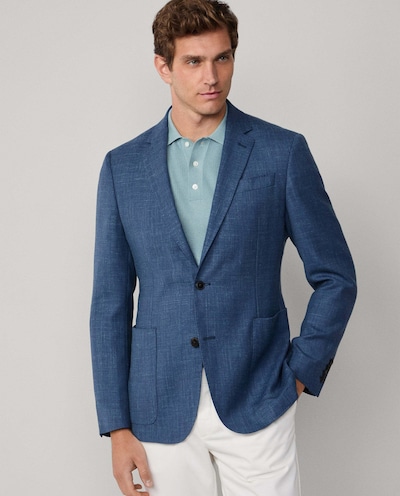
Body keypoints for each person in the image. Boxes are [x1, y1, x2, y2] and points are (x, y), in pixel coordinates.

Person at [90, 1, 357, 495]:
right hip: (158, 403)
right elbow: (109, 303)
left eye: (223, 58)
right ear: (164, 67)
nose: (211, 77)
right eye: (193, 61)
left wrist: (299, 372)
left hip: (258, 395)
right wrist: (116, 425)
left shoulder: (281, 153)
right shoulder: (122, 168)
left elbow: (336, 276)